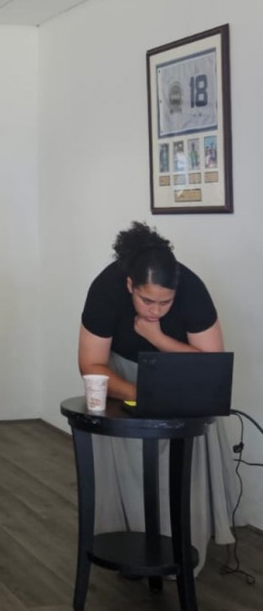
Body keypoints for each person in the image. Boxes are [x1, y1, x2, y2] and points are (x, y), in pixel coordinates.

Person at [78, 221, 237, 573]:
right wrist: (144, 394)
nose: (156, 310)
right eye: (147, 300)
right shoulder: (106, 288)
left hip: (183, 378)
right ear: (129, 285)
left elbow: (211, 367)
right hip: (122, 379)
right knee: (131, 466)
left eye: (165, 302)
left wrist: (158, 338)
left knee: (184, 470)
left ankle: (181, 556)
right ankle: (132, 549)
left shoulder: (192, 288)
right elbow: (90, 364)